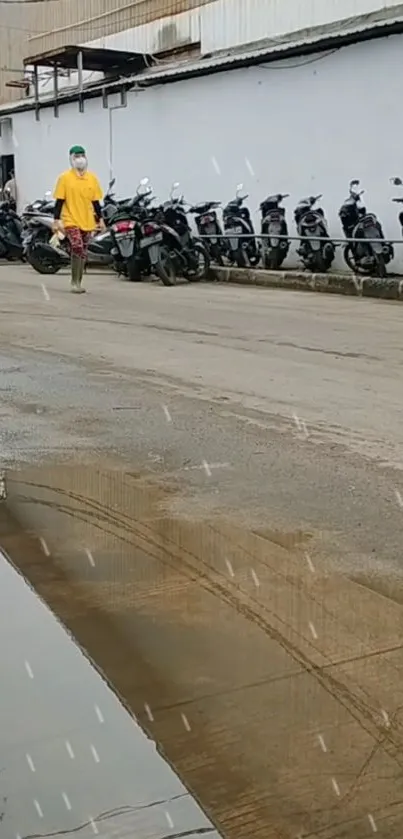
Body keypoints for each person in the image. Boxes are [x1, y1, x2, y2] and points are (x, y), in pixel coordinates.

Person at [52, 145, 105, 293]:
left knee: (83, 251)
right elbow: (59, 201)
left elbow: (96, 202)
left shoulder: (92, 179)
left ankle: (78, 282)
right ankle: (74, 282)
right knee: (77, 247)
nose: (80, 159)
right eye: (76, 156)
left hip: (87, 220)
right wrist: (56, 220)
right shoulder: (65, 178)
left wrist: (100, 219)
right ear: (71, 159)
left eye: (82, 155)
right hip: (70, 219)